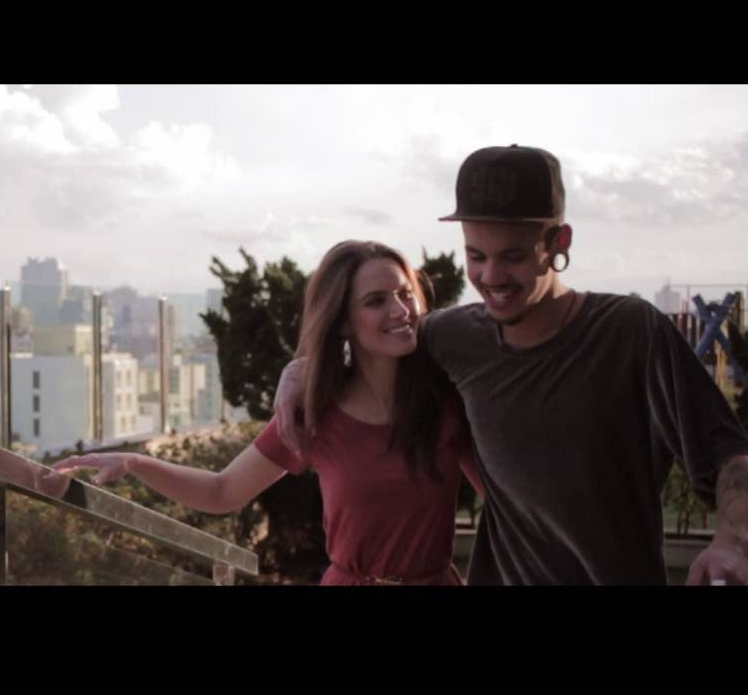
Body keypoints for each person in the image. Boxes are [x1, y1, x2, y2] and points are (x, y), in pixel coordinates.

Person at [275, 144, 748, 585]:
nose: (491, 276)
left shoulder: (633, 332)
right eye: (475, 256)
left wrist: (733, 542)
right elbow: (371, 339)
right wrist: (300, 371)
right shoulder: (453, 338)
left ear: (559, 242)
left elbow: (731, 455)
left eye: (512, 256)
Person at [54, 240, 484, 585]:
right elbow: (223, 491)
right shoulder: (315, 412)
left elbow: (505, 499)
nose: (400, 311)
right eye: (376, 301)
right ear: (342, 321)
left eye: (405, 294)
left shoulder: (448, 402)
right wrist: (134, 463)